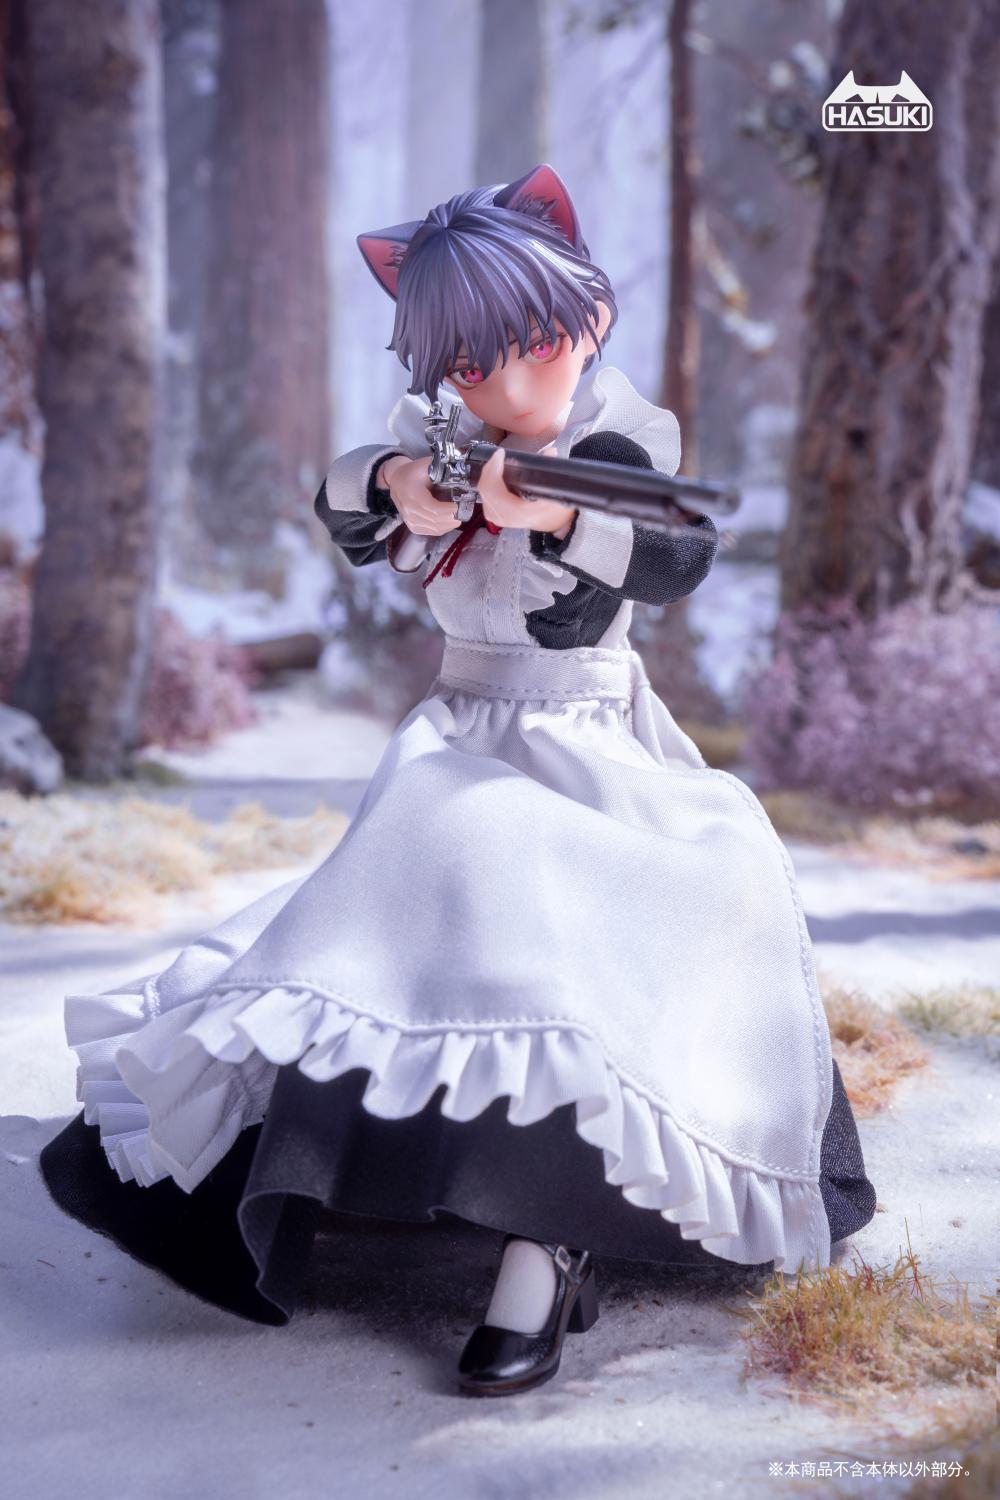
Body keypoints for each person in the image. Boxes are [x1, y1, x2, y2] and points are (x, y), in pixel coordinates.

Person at [40, 164, 875, 1399]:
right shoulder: (440, 444)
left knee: (583, 934)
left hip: (594, 751)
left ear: (590, 316)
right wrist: (402, 487)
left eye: (535, 341)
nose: (509, 381)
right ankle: (380, 1178)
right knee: (420, 898)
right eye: (473, 362)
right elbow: (342, 491)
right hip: (461, 737)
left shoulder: (613, 441)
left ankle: (548, 1241)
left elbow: (676, 546)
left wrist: (552, 516)